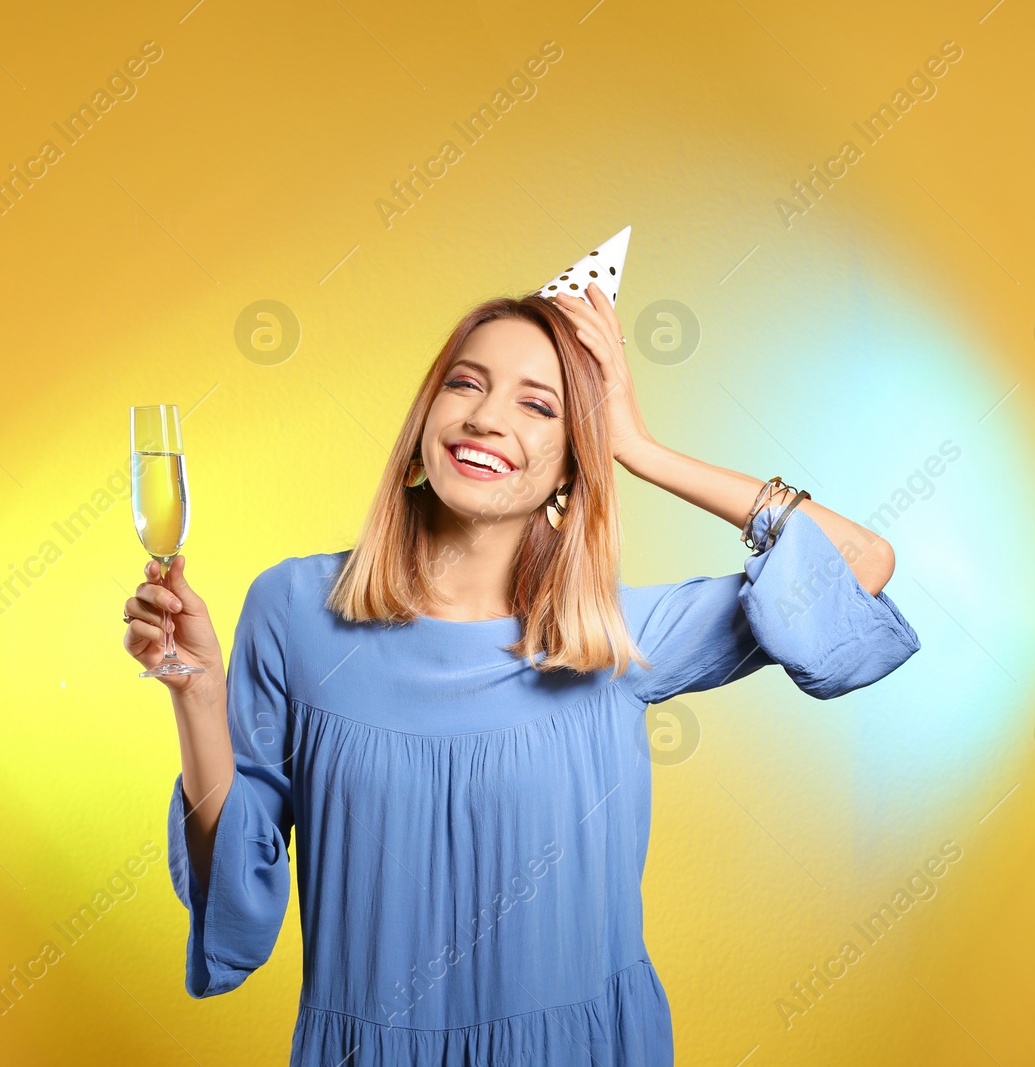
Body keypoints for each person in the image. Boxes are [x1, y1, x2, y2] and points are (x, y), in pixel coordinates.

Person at [122, 280, 919, 1065]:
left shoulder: (615, 638)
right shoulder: (295, 610)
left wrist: (640, 449)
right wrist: (196, 695)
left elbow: (861, 561)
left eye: (539, 406)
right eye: (465, 383)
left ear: (576, 462)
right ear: (423, 423)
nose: (486, 416)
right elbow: (236, 899)